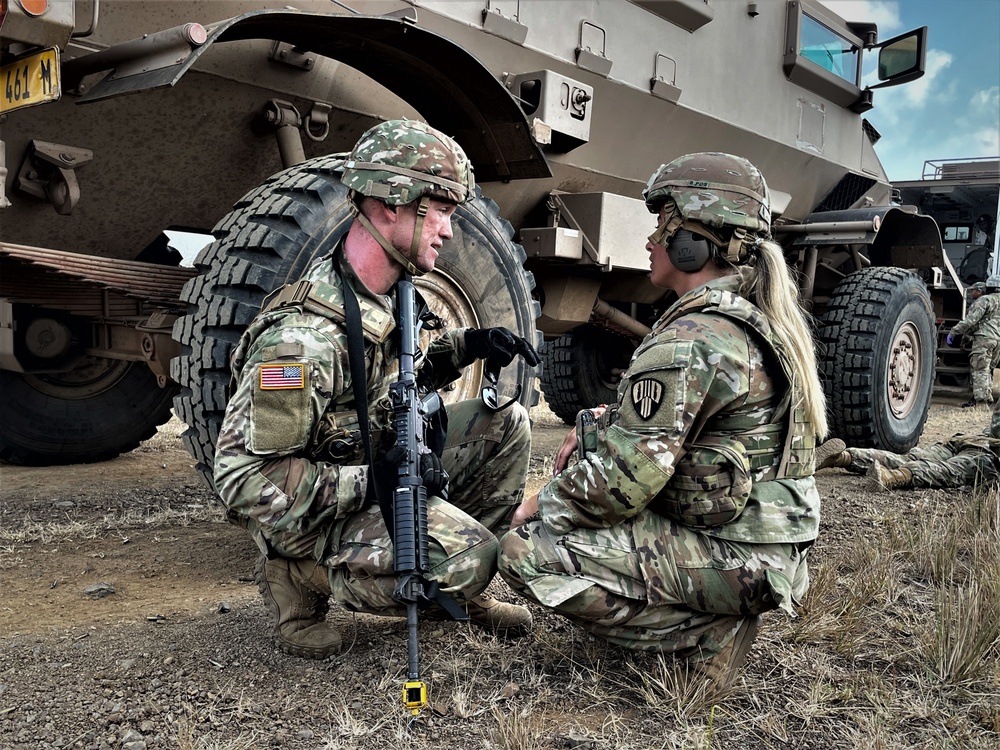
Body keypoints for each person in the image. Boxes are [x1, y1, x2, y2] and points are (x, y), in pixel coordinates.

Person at [498, 152, 828, 686]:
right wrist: (597, 429)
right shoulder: (748, 320)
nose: (651, 241)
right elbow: (672, 429)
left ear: (692, 242)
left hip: (742, 558)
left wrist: (528, 508)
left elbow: (617, 486)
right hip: (761, 550)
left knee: (526, 550)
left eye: (662, 227)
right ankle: (707, 612)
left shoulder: (691, 339)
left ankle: (703, 636)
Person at [214, 119, 540, 659]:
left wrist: (469, 345)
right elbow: (244, 479)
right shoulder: (302, 343)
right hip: (315, 515)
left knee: (506, 425)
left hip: (373, 462)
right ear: (394, 204)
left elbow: (390, 376)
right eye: (441, 211)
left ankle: (447, 588)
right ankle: (297, 576)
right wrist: (373, 482)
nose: (449, 231)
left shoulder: (389, 291)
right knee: (471, 557)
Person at [815, 432, 1000, 491]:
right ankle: (892, 477)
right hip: (989, 455)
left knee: (906, 458)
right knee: (946, 471)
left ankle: (842, 457)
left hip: (972, 438)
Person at [948, 278, 1000, 407]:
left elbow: (971, 321)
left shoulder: (986, 300)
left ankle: (981, 403)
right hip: (998, 341)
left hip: (984, 339)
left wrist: (955, 332)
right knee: (989, 369)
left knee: (980, 369)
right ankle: (987, 398)